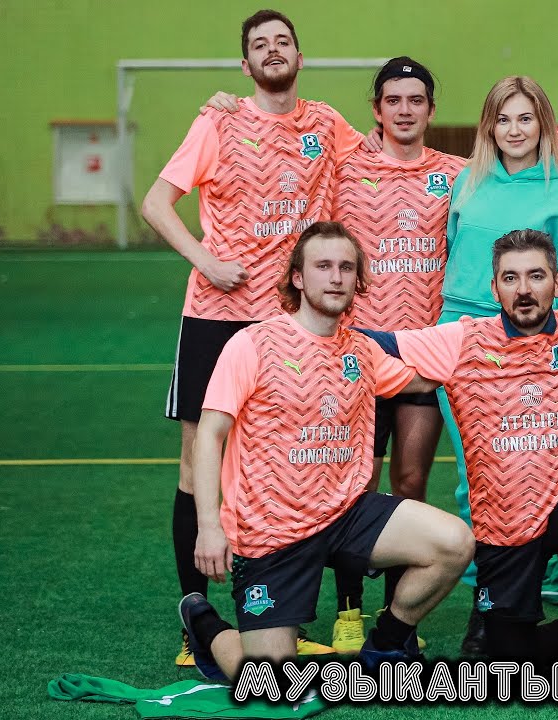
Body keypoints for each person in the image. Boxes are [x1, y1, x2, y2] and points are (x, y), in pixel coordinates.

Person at [140, 8, 365, 665]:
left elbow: (387, 160)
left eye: (282, 41)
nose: (273, 50)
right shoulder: (219, 121)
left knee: (293, 463)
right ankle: (194, 622)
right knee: (195, 464)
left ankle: (283, 615)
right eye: (260, 44)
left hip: (291, 323)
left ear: (299, 56)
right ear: (245, 65)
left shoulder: (326, 124)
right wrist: (205, 260)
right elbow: (155, 203)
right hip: (216, 316)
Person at [366, 229, 558, 682]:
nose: (524, 289)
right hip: (504, 527)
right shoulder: (462, 340)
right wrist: (292, 332)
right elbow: (379, 341)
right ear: (494, 288)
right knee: (508, 662)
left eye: (536, 276)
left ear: (557, 282)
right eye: (511, 278)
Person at [176, 222, 473, 683]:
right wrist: (209, 527)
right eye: (323, 266)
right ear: (297, 277)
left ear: (358, 280)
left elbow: (420, 380)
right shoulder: (252, 344)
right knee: (272, 683)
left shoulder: (362, 351)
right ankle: (205, 625)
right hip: (272, 530)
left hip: (346, 514)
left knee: (455, 543)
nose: (336, 277)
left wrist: (494, 351)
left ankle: (386, 643)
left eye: (346, 268)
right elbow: (209, 436)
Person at [441, 75, 558, 653]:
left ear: (543, 124)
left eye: (525, 118)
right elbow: (454, 262)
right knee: (475, 480)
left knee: (528, 478)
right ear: (489, 127)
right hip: (465, 338)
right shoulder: (467, 181)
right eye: (503, 119)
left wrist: (553, 356)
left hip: (533, 345)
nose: (514, 130)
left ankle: (523, 600)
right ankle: (489, 604)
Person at [325, 56, 465, 653]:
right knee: (354, 485)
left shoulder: (458, 175)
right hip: (355, 353)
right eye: (393, 100)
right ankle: (348, 610)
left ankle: (397, 614)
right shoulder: (344, 169)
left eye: (415, 100)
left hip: (421, 359)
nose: (404, 110)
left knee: (410, 481)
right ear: (376, 109)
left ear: (431, 110)